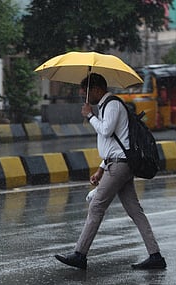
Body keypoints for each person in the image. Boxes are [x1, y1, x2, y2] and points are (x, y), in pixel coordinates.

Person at [54, 73, 166, 270]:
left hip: (120, 165)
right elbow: (113, 144)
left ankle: (80, 254)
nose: (85, 99)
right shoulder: (105, 106)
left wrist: (90, 115)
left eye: (87, 95)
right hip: (116, 163)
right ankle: (155, 255)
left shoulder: (112, 104)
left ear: (97, 89)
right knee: (135, 211)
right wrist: (100, 169)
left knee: (96, 206)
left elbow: (106, 131)